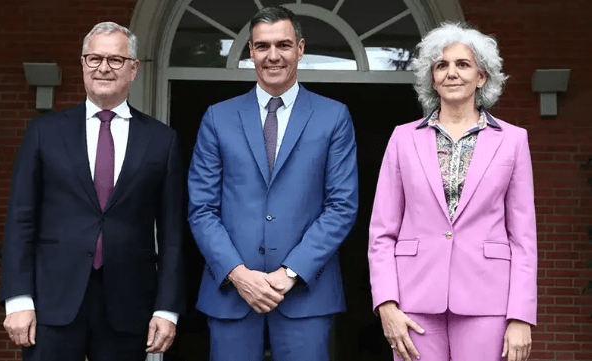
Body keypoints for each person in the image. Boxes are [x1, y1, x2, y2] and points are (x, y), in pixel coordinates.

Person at [0, 22, 185, 361]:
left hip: (128, 303)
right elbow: (20, 220)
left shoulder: (162, 140)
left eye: (115, 59)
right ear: (83, 64)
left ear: (134, 69)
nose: (103, 67)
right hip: (51, 302)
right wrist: (18, 298)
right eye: (94, 58)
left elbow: (172, 233)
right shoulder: (44, 132)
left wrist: (167, 309)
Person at [187, 6, 358, 361]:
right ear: (250, 51)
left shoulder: (334, 116)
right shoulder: (218, 118)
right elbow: (201, 208)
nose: (273, 55)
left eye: (283, 44)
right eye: (262, 46)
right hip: (231, 293)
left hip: (306, 294)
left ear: (300, 48)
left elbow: (341, 206)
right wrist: (238, 274)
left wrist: (290, 273)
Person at [368, 22, 537, 361]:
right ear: (432, 78)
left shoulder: (513, 140)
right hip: (414, 301)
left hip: (487, 302)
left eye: (463, 64)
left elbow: (523, 238)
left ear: (482, 76)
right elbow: (381, 233)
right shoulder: (403, 138)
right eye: (441, 65)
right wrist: (386, 303)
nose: (451, 73)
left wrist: (520, 315)